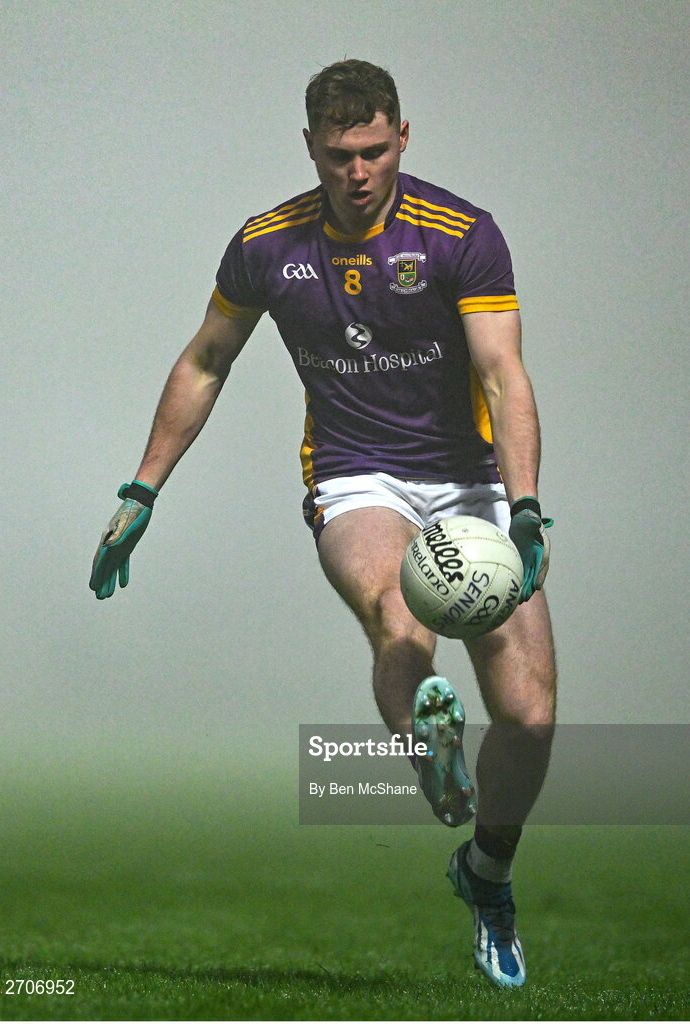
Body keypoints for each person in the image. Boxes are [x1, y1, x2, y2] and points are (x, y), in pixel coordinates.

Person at [90, 59, 556, 989]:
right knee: (394, 610)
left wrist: (526, 503)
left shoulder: (460, 234)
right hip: (354, 475)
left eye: (374, 151)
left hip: (468, 483)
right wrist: (141, 491)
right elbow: (206, 359)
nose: (357, 171)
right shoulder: (267, 245)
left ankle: (486, 874)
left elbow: (503, 375)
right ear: (310, 146)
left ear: (403, 139)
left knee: (531, 715)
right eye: (340, 154)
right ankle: (428, 748)